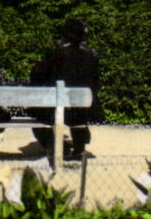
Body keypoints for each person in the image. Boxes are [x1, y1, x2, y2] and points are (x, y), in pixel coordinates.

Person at [29, 18, 103, 160]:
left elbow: (36, 75)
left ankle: (53, 145)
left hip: (53, 110)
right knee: (77, 113)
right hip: (83, 111)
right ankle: (79, 148)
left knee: (35, 112)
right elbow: (96, 82)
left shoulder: (55, 54)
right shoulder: (91, 57)